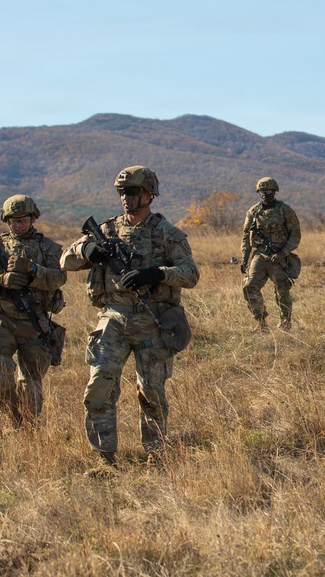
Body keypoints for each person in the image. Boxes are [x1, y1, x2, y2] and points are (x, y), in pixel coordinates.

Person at [61, 166, 198, 473]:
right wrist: (88, 250)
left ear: (149, 195)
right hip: (113, 318)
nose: (126, 198)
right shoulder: (107, 231)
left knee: (151, 391)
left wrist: (156, 273)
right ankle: (104, 458)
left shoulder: (166, 233)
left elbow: (191, 275)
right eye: (122, 192)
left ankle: (156, 454)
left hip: (152, 320)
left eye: (133, 192)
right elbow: (65, 261)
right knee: (99, 384)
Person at [0, 195, 66, 429]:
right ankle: (13, 420)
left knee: (31, 384)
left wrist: (33, 270)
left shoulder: (49, 248)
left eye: (22, 220)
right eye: (13, 221)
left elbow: (59, 277)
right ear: (6, 221)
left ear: (33, 219)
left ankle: (29, 429)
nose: (17, 225)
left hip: (35, 322)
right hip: (4, 319)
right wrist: (1, 280)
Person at [240, 177, 301, 331]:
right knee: (249, 286)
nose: (265, 194)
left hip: (279, 257)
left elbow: (295, 234)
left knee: (282, 290)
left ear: (274, 191)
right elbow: (246, 237)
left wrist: (283, 252)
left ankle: (285, 323)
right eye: (262, 192)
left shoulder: (285, 210)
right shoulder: (253, 212)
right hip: (260, 255)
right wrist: (244, 259)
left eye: (268, 191)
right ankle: (261, 323)